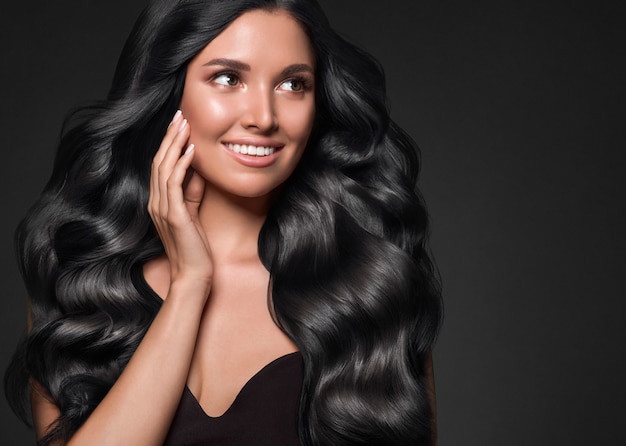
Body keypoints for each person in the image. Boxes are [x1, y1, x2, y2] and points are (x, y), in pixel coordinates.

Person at [5, 0, 442, 444]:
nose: (263, 118)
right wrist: (189, 286)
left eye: (293, 84)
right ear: (170, 90)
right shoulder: (79, 283)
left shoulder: (374, 283)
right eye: (228, 78)